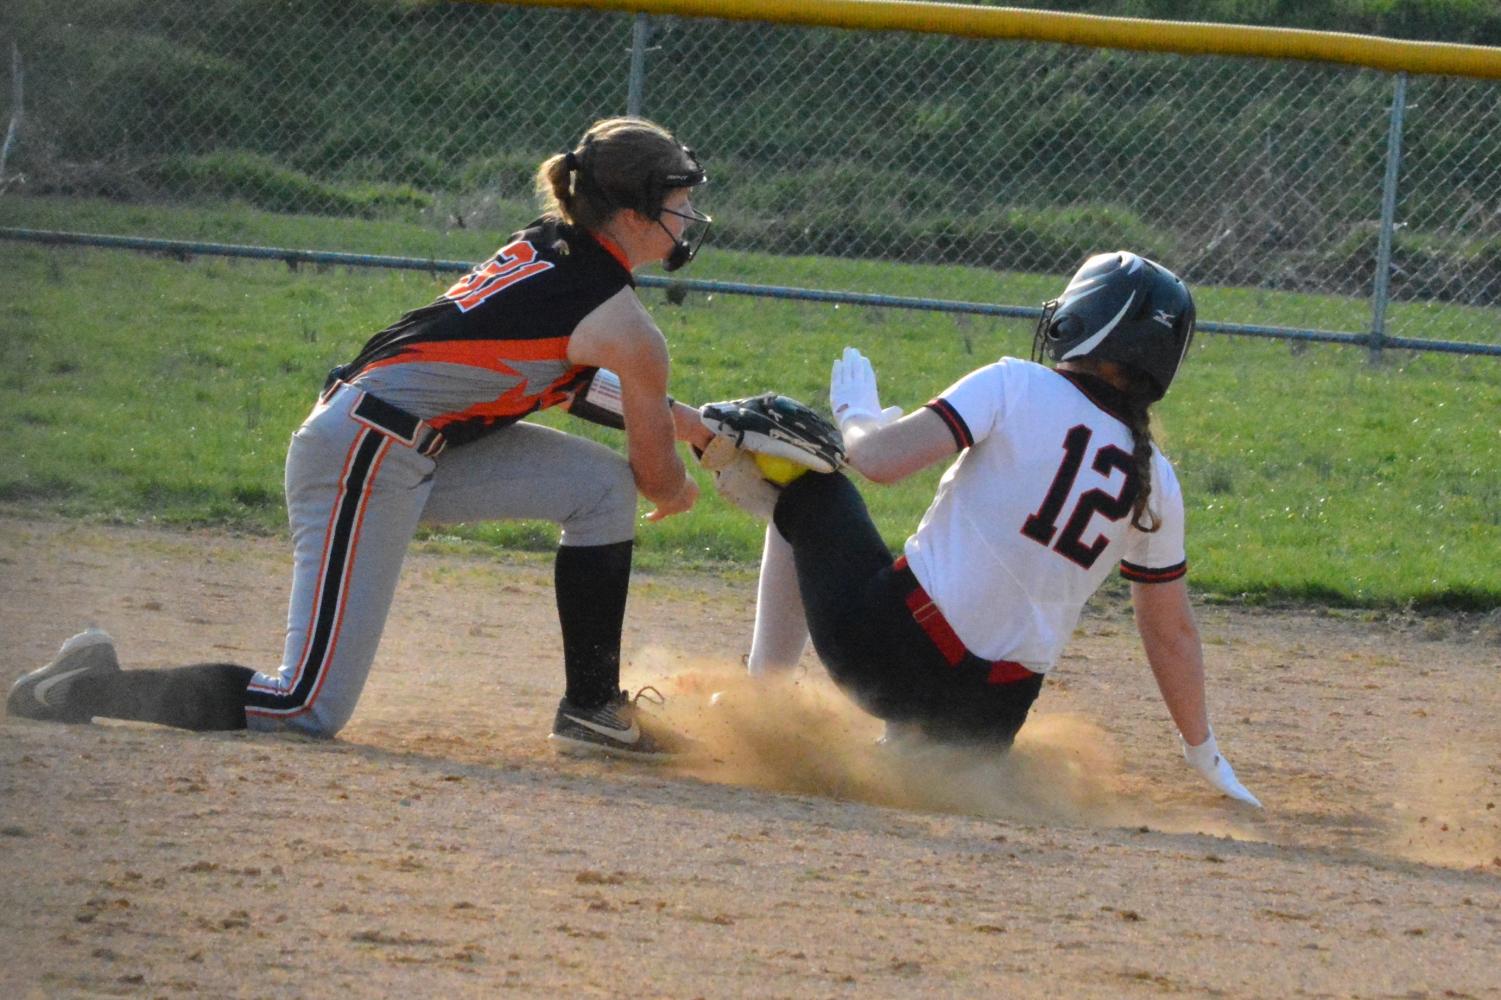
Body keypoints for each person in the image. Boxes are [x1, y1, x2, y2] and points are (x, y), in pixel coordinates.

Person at [8, 116, 718, 759]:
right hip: (365, 453)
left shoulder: (551, 248)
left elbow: (566, 378)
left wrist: (695, 423)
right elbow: (655, 474)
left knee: (597, 488)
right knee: (303, 708)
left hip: (402, 444)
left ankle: (592, 708)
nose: (687, 215)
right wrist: (679, 483)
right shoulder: (625, 327)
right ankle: (87, 687)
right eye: (676, 201)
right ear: (631, 214)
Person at [702, 251, 1260, 805]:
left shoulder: (1015, 383)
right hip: (990, 718)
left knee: (809, 480)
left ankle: (764, 702)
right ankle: (912, 748)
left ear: (1086, 320)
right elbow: (1172, 632)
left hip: (889, 659)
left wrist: (856, 415)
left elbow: (876, 462)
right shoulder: (1157, 479)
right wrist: (1203, 749)